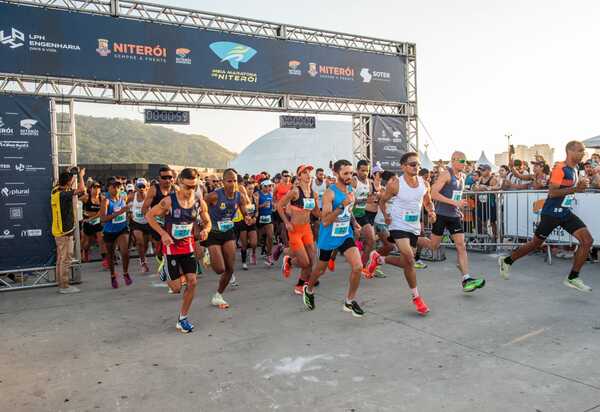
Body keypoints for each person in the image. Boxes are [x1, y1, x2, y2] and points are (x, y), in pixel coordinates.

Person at [499, 141, 594, 292]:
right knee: (535, 244)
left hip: (565, 212)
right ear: (570, 151)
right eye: (581, 151)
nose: (583, 153)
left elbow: (570, 189)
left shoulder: (575, 169)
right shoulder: (559, 168)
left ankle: (573, 277)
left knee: (587, 240)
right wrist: (576, 188)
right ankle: (507, 260)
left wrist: (581, 185)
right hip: (551, 213)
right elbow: (552, 193)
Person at [365, 153, 437, 315]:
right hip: (398, 225)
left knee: (406, 262)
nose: (416, 167)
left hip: (413, 227)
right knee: (410, 260)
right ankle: (417, 297)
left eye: (417, 164)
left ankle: (379, 258)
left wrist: (431, 211)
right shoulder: (396, 185)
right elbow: (382, 201)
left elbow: (427, 200)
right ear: (403, 166)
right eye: (412, 164)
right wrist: (386, 215)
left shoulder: (424, 183)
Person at [146, 168, 211, 333]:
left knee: (193, 282)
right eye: (188, 187)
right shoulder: (169, 201)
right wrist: (163, 233)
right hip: (171, 249)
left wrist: (206, 230)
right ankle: (164, 271)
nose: (191, 191)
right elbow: (149, 216)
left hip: (188, 246)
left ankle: (183, 318)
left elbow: (207, 222)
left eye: (194, 187)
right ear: (179, 183)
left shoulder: (199, 202)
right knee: (175, 289)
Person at [302, 159, 365, 317]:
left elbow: (348, 211)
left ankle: (349, 302)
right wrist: (342, 205)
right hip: (328, 237)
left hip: (345, 234)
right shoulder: (330, 193)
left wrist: (354, 223)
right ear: (336, 174)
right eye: (346, 173)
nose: (349, 176)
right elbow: (325, 221)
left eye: (351, 173)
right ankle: (308, 289)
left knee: (358, 267)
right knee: (320, 270)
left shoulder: (350, 189)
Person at [429, 151, 486, 293]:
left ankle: (466, 279)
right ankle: (416, 241)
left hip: (453, 216)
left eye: (465, 161)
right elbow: (433, 193)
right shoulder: (446, 174)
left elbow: (456, 196)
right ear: (453, 160)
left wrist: (457, 207)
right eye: (462, 161)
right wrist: (454, 202)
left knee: (461, 246)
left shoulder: (463, 176)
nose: (464, 164)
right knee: (433, 246)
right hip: (441, 215)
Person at [204, 168, 252, 308]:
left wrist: (248, 217)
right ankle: (209, 253)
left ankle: (218, 295)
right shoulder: (214, 196)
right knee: (219, 269)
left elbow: (244, 211)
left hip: (228, 232)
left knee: (230, 268)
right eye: (229, 181)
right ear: (223, 182)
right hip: (213, 233)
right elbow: (201, 206)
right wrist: (204, 221)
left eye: (235, 181)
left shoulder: (239, 196)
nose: (232, 183)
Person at [278, 165, 320, 295]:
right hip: (295, 230)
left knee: (312, 259)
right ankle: (289, 260)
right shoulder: (295, 192)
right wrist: (286, 222)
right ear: (299, 176)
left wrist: (331, 216)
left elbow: (316, 212)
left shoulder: (314, 194)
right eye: (304, 173)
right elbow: (279, 206)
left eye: (309, 173)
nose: (308, 175)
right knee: (305, 262)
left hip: (307, 229)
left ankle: (300, 285)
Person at [51, 167, 86, 294]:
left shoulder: (55, 191)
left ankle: (61, 283)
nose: (73, 182)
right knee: (66, 259)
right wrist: (81, 175)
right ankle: (64, 286)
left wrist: (69, 173)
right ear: (68, 182)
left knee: (61, 258)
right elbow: (82, 190)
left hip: (58, 231)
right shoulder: (64, 194)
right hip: (64, 232)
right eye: (71, 180)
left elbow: (62, 184)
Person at [142, 166, 176, 273]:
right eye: (164, 177)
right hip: (156, 222)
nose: (167, 180)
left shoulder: (176, 189)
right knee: (160, 246)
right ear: (159, 178)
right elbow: (144, 209)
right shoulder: (153, 189)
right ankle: (161, 259)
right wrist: (153, 220)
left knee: (171, 244)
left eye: (169, 177)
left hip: (171, 222)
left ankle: (170, 267)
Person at [100, 178, 132, 289]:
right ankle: (113, 275)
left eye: (118, 187)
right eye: (114, 187)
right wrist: (118, 213)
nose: (116, 189)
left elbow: (124, 213)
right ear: (108, 188)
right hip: (109, 231)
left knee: (125, 252)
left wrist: (127, 213)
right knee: (110, 255)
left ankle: (125, 273)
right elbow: (103, 219)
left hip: (122, 229)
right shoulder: (106, 201)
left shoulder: (123, 198)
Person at [352, 160, 377, 275]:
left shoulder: (369, 182)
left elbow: (370, 197)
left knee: (371, 241)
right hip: (350, 216)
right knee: (341, 244)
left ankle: (362, 267)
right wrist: (366, 200)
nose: (365, 173)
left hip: (362, 214)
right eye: (362, 170)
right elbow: (349, 201)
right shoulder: (354, 181)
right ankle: (331, 258)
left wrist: (375, 197)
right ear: (357, 170)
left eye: (367, 170)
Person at [127, 178, 151, 273]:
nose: (141, 188)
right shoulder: (132, 196)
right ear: (136, 187)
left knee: (145, 245)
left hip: (147, 222)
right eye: (139, 186)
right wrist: (128, 212)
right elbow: (122, 203)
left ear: (146, 187)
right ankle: (143, 262)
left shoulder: (150, 196)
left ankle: (142, 256)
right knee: (139, 242)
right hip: (136, 222)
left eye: (143, 186)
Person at [80, 181, 105, 264]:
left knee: (101, 240)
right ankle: (85, 251)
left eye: (98, 187)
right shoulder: (86, 197)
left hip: (97, 222)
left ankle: (105, 259)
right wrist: (82, 214)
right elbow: (76, 204)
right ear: (90, 189)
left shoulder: (102, 198)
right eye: (94, 187)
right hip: (88, 222)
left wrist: (92, 218)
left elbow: (101, 212)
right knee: (87, 242)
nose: (96, 189)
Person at [236, 180, 258, 271]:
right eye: (249, 189)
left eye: (252, 189)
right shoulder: (241, 199)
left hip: (252, 222)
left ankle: (253, 253)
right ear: (245, 189)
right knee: (244, 244)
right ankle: (244, 262)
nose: (251, 190)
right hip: (243, 223)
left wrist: (254, 218)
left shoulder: (255, 198)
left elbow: (256, 211)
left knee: (254, 243)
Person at [255, 179, 275, 266]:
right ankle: (253, 253)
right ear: (262, 186)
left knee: (270, 236)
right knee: (257, 240)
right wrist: (262, 205)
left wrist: (274, 207)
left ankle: (269, 255)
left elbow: (272, 204)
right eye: (266, 186)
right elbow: (255, 207)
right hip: (259, 218)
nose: (268, 188)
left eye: (270, 186)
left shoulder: (271, 194)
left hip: (268, 218)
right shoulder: (257, 194)